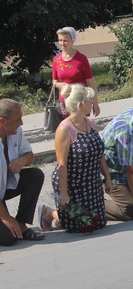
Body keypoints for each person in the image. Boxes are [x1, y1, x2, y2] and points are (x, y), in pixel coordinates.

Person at [39, 84, 112, 233]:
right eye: (89, 100)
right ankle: (49, 212)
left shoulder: (91, 123)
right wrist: (64, 192)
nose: (92, 102)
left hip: (91, 182)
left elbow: (100, 153)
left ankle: (60, 215)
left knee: (98, 223)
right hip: (73, 184)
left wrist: (107, 178)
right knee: (78, 226)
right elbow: (62, 164)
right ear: (80, 104)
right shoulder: (64, 129)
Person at [0, 99, 45, 245]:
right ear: (2, 121)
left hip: (4, 186)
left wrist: (22, 160)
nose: (21, 123)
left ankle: (21, 224)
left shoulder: (15, 131)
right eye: (17, 119)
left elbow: (30, 155)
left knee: (35, 175)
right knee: (9, 238)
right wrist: (6, 217)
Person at [52, 27, 100, 117]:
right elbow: (54, 82)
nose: (62, 43)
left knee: (82, 127)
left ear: (73, 40)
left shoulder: (81, 59)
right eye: (60, 40)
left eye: (65, 40)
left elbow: (90, 83)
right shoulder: (56, 60)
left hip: (81, 100)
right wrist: (63, 85)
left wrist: (95, 104)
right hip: (65, 101)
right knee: (68, 128)